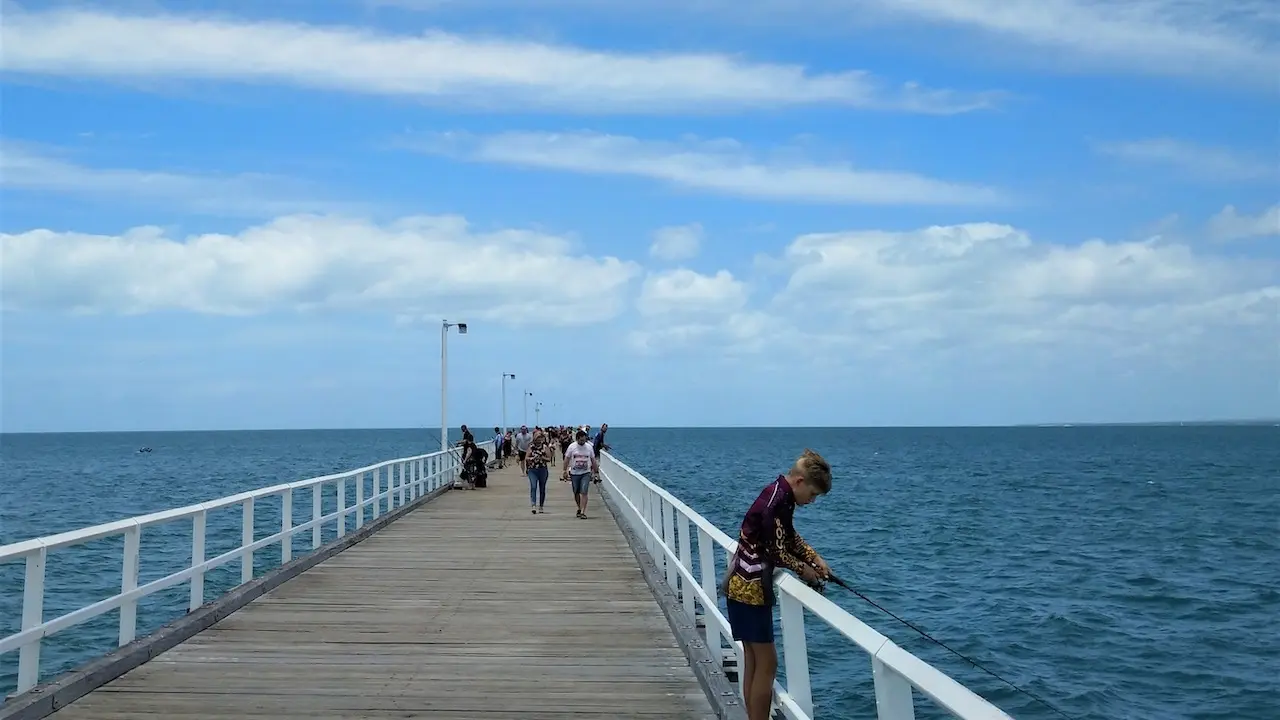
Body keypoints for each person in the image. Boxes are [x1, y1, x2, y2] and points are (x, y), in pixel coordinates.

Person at [721, 449, 832, 720]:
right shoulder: (777, 502)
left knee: (754, 660)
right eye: (813, 494)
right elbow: (776, 551)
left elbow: (788, 537)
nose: (812, 500)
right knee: (768, 663)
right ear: (799, 482)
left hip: (740, 583)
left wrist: (814, 557)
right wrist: (804, 570)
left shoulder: (779, 495)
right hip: (751, 588)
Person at [561, 429, 598, 519]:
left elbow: (593, 460)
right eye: (581, 440)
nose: (583, 442)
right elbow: (567, 459)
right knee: (576, 492)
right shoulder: (572, 447)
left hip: (586, 472)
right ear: (577, 439)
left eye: (584, 440)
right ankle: (579, 507)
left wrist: (596, 472)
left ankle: (583, 512)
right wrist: (564, 470)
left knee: (584, 491)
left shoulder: (589, 447)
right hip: (574, 473)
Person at [525, 428, 553, 514]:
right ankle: (533, 505)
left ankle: (541, 506)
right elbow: (526, 457)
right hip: (532, 469)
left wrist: (542, 458)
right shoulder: (531, 447)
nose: (539, 439)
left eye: (540, 437)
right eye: (537, 437)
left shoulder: (545, 447)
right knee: (533, 487)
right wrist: (531, 458)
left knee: (542, 488)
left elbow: (549, 459)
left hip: (542, 469)